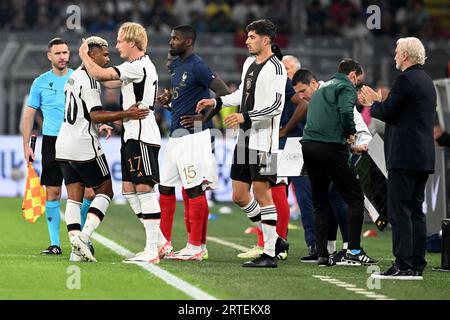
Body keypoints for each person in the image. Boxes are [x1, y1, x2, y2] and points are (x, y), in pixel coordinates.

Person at [197, 19, 289, 268]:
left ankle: (269, 253)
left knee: (261, 192)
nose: (247, 41)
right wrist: (217, 103)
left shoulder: (277, 68)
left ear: (266, 40)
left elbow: (275, 107)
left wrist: (245, 116)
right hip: (245, 138)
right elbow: (242, 95)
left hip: (264, 141)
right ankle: (276, 240)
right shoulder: (249, 62)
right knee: (239, 195)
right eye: (247, 37)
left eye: (251, 37)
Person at [79, 22, 171, 264]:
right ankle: (160, 242)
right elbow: (109, 82)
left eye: (120, 41)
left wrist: (84, 57)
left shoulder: (139, 66)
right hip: (132, 134)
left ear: (131, 42)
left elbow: (102, 75)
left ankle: (152, 250)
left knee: (144, 189)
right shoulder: (134, 67)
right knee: (129, 191)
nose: (117, 44)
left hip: (142, 135)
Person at [56, 36, 148, 262]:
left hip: (63, 144)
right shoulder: (88, 79)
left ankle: (75, 253)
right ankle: (84, 236)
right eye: (104, 54)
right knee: (106, 191)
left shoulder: (73, 76)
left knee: (75, 197)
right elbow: (94, 113)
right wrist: (126, 113)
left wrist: (100, 123)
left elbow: (81, 113)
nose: (108, 58)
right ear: (91, 54)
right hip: (83, 144)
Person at [360, 37, 436, 280]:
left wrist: (373, 103)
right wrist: (383, 102)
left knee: (400, 210)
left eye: (396, 52)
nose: (394, 56)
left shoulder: (405, 79)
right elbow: (403, 112)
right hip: (422, 156)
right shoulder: (426, 80)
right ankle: (416, 264)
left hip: (403, 156)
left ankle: (403, 265)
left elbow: (388, 114)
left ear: (405, 55)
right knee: (415, 210)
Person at [155, 25, 230, 261]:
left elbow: (224, 93)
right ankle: (163, 243)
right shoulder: (176, 66)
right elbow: (185, 97)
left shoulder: (197, 65)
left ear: (188, 42)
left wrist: (204, 117)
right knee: (165, 187)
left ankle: (196, 247)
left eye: (175, 39)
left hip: (194, 136)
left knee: (194, 188)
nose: (171, 42)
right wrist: (168, 101)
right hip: (175, 136)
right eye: (171, 38)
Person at [22, 38, 96, 255]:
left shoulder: (79, 77)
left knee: (87, 193)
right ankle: (55, 243)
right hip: (52, 142)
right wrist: (26, 145)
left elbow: (92, 107)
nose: (63, 56)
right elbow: (29, 116)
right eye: (58, 53)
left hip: (78, 138)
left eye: (65, 52)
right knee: (52, 192)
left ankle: (80, 239)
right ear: (49, 56)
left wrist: (100, 126)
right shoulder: (40, 82)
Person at [301, 58, 377, 267]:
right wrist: (350, 132)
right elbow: (346, 111)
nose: (357, 86)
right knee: (354, 197)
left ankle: (323, 254)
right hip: (330, 149)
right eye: (358, 81)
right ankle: (353, 250)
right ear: (352, 75)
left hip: (309, 146)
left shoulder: (321, 90)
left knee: (320, 202)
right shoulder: (346, 86)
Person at [236, 51, 307, 261]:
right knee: (263, 191)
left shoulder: (283, 81)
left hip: (274, 143)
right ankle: (269, 242)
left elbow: (302, 105)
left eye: (288, 68)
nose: (283, 71)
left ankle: (277, 245)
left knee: (275, 189)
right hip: (253, 139)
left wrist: (284, 130)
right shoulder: (268, 77)